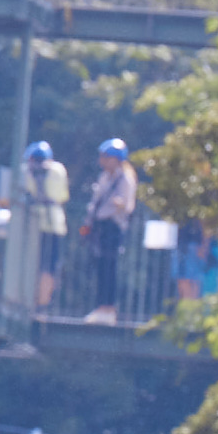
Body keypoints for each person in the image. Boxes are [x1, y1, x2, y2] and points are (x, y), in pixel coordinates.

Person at [80, 137, 137, 321]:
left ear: (115, 158)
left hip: (113, 226)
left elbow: (128, 206)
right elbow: (95, 202)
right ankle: (99, 307)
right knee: (100, 266)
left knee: (109, 266)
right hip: (100, 226)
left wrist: (118, 204)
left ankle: (108, 308)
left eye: (106, 157)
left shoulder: (125, 178)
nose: (102, 161)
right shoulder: (104, 177)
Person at [22, 141, 69, 309]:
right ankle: (43, 301)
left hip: (33, 223)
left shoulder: (26, 171)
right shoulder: (58, 170)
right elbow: (63, 196)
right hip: (55, 223)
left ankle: (30, 299)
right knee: (49, 265)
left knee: (33, 262)